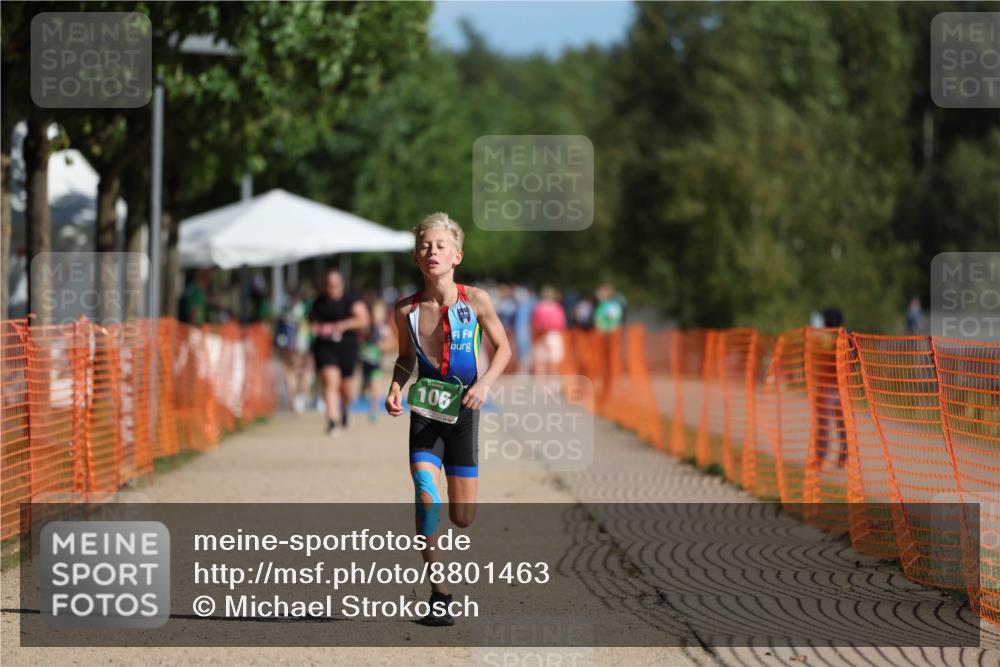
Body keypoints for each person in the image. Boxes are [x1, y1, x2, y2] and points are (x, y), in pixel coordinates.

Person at [384, 212, 511, 626]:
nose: (431, 251)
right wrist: (396, 387)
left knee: (463, 517)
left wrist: (485, 383)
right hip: (425, 411)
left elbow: (504, 349)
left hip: (464, 411)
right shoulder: (405, 310)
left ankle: (451, 520)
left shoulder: (475, 300)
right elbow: (405, 360)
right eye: (424, 246)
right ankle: (440, 595)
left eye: (440, 246)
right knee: (425, 494)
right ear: (416, 258)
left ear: (456, 255)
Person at [310, 269, 369, 436]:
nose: (332, 288)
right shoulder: (319, 302)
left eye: (335, 285)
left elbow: (364, 320)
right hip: (325, 347)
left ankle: (346, 408)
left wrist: (341, 326)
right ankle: (332, 421)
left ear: (341, 285)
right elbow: (312, 322)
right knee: (330, 382)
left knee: (346, 388)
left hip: (347, 347)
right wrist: (317, 328)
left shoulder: (351, 300)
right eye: (329, 285)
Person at [276, 288, 314, 414]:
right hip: (300, 344)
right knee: (302, 370)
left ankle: (296, 401)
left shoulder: (285, 310)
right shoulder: (306, 309)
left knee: (292, 371)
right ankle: (301, 399)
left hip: (290, 344)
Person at [360, 294, 395, 423]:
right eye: (374, 313)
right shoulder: (366, 328)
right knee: (365, 386)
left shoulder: (384, 329)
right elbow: (360, 341)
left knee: (375, 385)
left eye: (379, 313)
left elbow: (392, 343)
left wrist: (383, 346)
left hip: (376, 363)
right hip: (365, 362)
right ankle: (363, 390)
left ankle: (374, 410)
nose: (376, 316)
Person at [531, 286, 567, 375]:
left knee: (541, 359)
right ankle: (552, 379)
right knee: (554, 359)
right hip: (553, 334)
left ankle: (540, 381)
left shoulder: (538, 307)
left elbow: (534, 322)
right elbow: (562, 323)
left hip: (541, 334)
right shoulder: (557, 307)